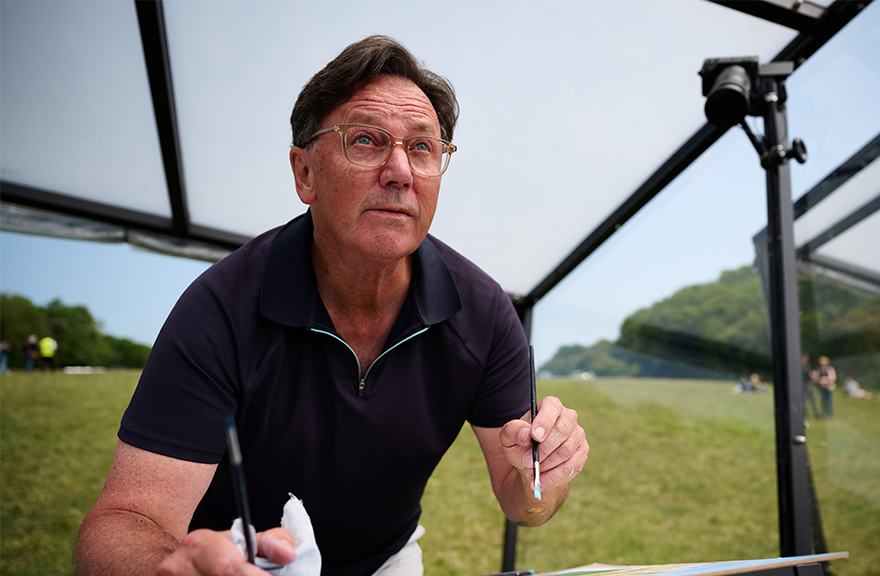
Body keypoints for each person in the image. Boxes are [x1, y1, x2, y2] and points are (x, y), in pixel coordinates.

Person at [76, 36, 589, 576]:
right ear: (305, 173)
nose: (400, 171)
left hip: (384, 561)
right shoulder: (220, 308)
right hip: (236, 562)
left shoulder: (482, 311)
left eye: (422, 147)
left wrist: (544, 471)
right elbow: (124, 521)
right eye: (366, 140)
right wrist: (176, 568)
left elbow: (523, 501)